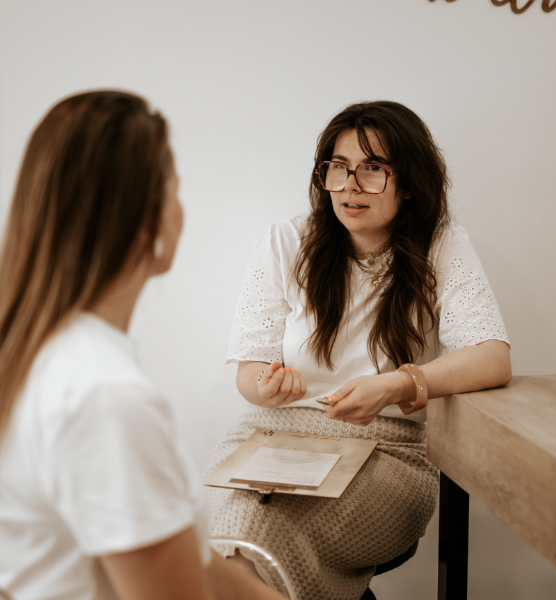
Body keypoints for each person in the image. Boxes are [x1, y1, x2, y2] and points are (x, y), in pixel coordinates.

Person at [207, 100, 512, 600]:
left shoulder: (441, 244)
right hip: (272, 440)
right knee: (241, 537)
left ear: (408, 182)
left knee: (256, 549)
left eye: (372, 169)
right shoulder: (286, 241)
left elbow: (492, 356)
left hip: (389, 451)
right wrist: (267, 386)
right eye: (338, 167)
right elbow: (250, 372)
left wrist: (397, 384)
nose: (350, 185)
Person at [0, 91, 286, 600]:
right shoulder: (103, 396)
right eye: (175, 190)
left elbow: (194, 563)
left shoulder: (41, 355)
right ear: (146, 219)